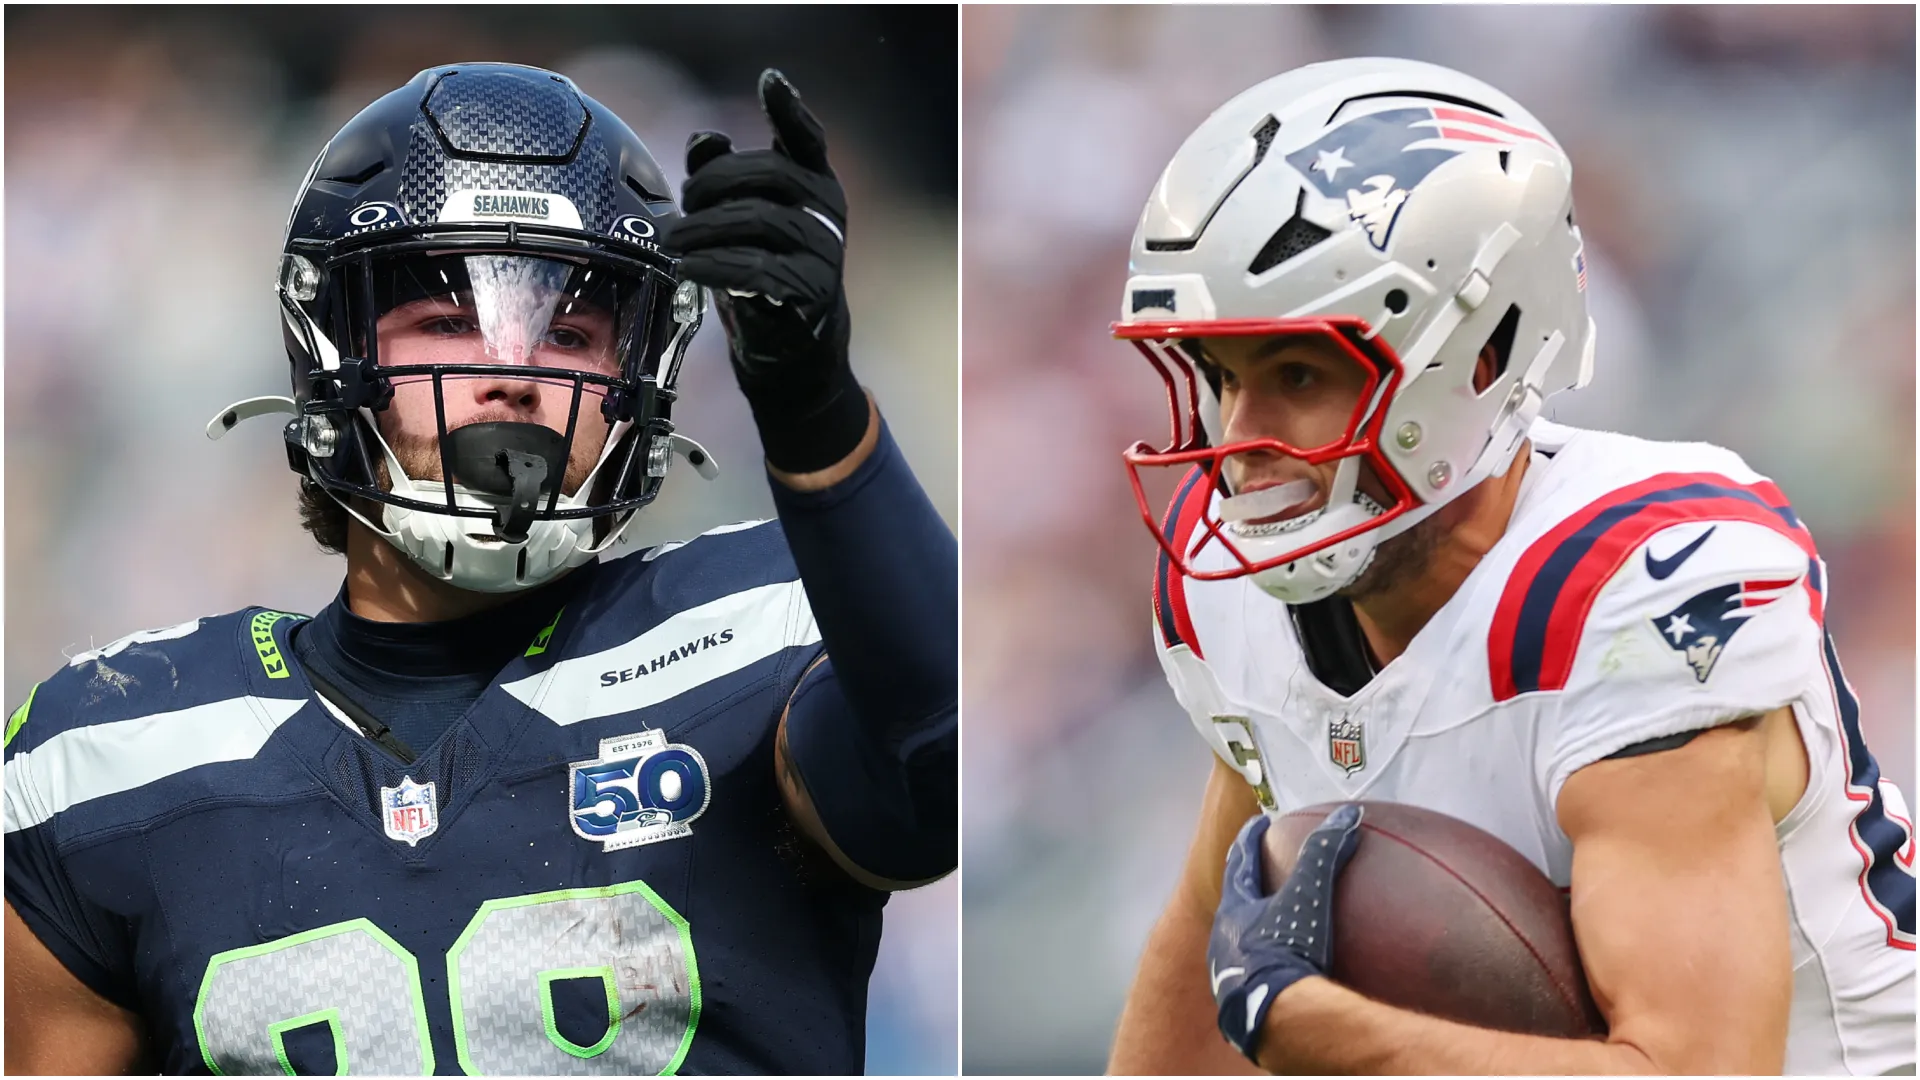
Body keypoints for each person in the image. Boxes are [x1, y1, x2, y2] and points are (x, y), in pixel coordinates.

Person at [3, 62, 955, 1075]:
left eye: (572, 334)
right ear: (329, 350)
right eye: (448, 323)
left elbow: (937, 765)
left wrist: (816, 410)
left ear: (644, 379)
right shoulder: (112, 761)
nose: (511, 369)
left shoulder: (758, 634)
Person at [1107, 57, 1913, 1076]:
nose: (1240, 440)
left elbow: (1697, 1069)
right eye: (1223, 378)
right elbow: (1210, 928)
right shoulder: (1230, 596)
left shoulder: (1629, 591)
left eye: (1297, 374)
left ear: (1479, 358)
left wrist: (1334, 1035)